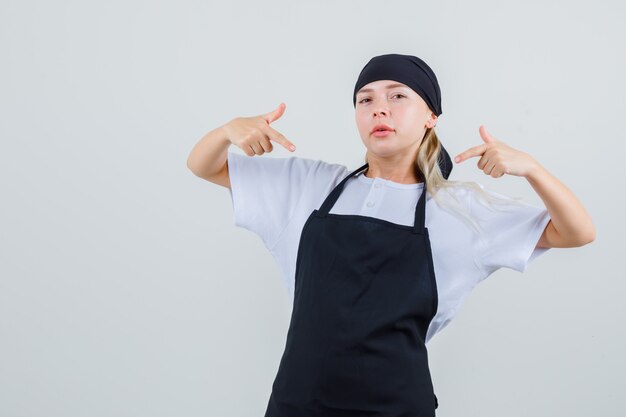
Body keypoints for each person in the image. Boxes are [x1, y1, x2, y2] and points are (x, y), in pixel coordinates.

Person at [187, 53, 595, 416]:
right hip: (297, 404)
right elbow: (203, 166)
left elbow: (576, 232)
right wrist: (227, 131)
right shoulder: (310, 185)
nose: (379, 110)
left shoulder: (460, 209)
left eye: (397, 96)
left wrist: (533, 170)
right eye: (365, 100)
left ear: (430, 116)